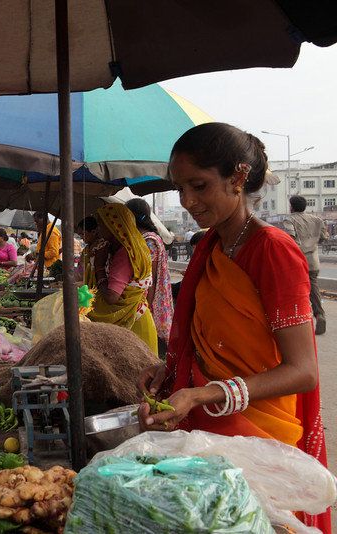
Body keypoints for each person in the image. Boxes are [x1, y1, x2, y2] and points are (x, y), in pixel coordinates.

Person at [136, 123, 328, 532]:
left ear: (237, 179)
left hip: (260, 434)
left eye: (200, 186)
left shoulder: (272, 250)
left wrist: (205, 393)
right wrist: (167, 372)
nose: (187, 201)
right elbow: (200, 338)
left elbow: (303, 370)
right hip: (211, 428)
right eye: (180, 188)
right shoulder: (211, 245)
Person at [87, 204, 158, 354]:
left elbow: (112, 297)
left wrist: (99, 266)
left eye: (101, 224)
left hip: (132, 327)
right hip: (138, 318)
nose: (98, 229)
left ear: (113, 225)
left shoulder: (124, 254)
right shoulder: (134, 246)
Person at [126, 198, 174, 347]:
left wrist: (147, 304)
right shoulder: (144, 238)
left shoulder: (149, 240)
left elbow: (150, 277)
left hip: (148, 297)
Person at [283, 195, 328, 335]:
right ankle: (319, 314)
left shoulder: (289, 219)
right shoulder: (317, 220)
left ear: (292, 207)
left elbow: (290, 239)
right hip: (313, 261)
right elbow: (324, 237)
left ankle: (298, 322)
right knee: (313, 288)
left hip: (297, 261)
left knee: (296, 291)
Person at [171, 230, 205, 302]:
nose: (194, 250)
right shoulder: (198, 259)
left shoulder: (208, 260)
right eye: (193, 247)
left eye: (196, 247)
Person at [74, 216, 104, 286]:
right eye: (79, 234)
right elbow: (81, 273)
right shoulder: (86, 249)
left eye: (82, 234)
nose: (81, 237)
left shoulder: (102, 248)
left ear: (93, 232)